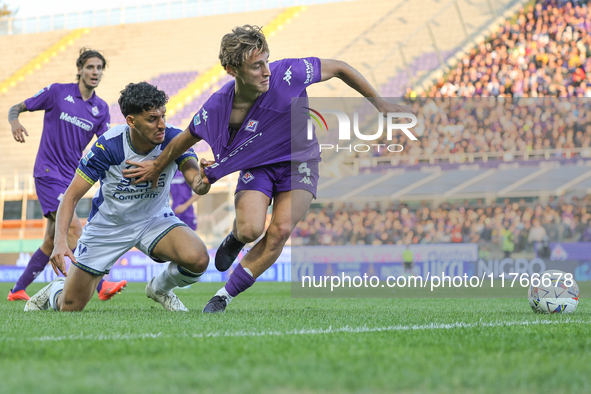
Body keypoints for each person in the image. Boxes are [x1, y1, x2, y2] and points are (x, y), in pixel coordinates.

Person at [122, 25, 414, 313]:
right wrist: (157, 166)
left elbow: (339, 68)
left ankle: (223, 297)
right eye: (256, 66)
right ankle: (237, 238)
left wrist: (380, 104)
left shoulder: (289, 73)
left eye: (266, 61)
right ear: (231, 70)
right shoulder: (219, 106)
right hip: (258, 165)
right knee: (250, 229)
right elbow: (185, 138)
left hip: (301, 162)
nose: (266, 71)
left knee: (280, 230)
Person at [24, 82, 211, 313]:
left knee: (198, 259)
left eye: (163, 116)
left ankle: (159, 288)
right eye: (153, 119)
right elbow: (71, 196)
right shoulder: (109, 146)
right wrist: (60, 241)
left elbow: (197, 183)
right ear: (131, 121)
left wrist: (204, 179)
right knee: (69, 307)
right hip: (108, 226)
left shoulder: (174, 138)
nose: (161, 124)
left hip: (154, 219)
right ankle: (56, 291)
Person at [7, 47, 127, 302]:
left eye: (99, 68)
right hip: (48, 173)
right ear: (80, 69)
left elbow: (104, 142)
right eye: (90, 67)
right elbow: (15, 108)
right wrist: (14, 122)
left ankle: (16, 290)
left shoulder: (100, 108)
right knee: (72, 226)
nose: (95, 72)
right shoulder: (57, 92)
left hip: (71, 178)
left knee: (52, 239)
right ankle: (101, 284)